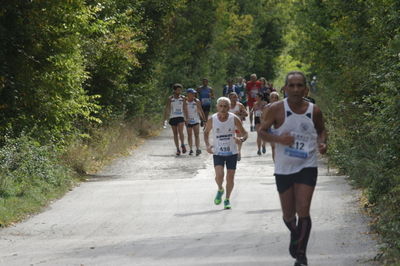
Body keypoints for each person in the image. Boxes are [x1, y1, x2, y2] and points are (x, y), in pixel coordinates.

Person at [258, 71, 327, 266]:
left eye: (299, 86)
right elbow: (261, 131)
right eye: (292, 85)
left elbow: (321, 130)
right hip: (284, 168)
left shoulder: (314, 110)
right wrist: (279, 139)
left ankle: (301, 256)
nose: (296, 89)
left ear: (306, 88)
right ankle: (296, 236)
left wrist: (322, 144)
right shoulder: (275, 109)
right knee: (289, 215)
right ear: (285, 88)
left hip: (307, 165)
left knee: (303, 209)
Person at [204, 97, 248, 210]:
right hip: (218, 152)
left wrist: (241, 139)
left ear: (229, 107)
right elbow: (206, 132)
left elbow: (245, 133)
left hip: (232, 152)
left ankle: (227, 199)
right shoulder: (212, 119)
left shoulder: (234, 118)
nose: (223, 108)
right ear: (217, 107)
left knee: (230, 177)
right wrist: (208, 145)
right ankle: (220, 189)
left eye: (225, 106)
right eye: (221, 106)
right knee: (219, 176)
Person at [164, 83, 187, 156]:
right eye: (178, 90)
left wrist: (186, 117)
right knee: (175, 134)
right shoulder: (170, 98)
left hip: (180, 116)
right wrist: (165, 119)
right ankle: (177, 149)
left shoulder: (183, 98)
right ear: (174, 90)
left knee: (180, 131)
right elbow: (167, 108)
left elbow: (184, 108)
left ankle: (182, 144)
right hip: (173, 117)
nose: (179, 91)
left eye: (180, 90)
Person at [184, 88, 206, 156]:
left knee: (196, 135)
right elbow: (184, 111)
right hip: (188, 120)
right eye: (192, 93)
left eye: (194, 93)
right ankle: (191, 149)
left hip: (196, 120)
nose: (193, 95)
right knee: (189, 135)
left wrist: (204, 120)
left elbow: (200, 110)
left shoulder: (197, 101)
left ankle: (197, 149)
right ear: (188, 94)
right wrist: (186, 119)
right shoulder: (185, 101)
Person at [228, 92, 248, 161]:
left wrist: (239, 113)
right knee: (231, 139)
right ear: (229, 98)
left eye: (236, 97)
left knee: (239, 138)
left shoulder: (240, 105)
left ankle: (238, 152)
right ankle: (232, 152)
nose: (235, 98)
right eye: (233, 97)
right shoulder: (227, 106)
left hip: (238, 125)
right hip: (229, 125)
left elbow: (246, 114)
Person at [262, 91, 280, 161]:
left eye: (276, 98)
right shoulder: (267, 107)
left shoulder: (282, 106)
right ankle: (276, 164)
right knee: (274, 147)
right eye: (272, 97)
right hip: (271, 129)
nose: (274, 99)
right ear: (270, 98)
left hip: (280, 128)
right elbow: (263, 118)